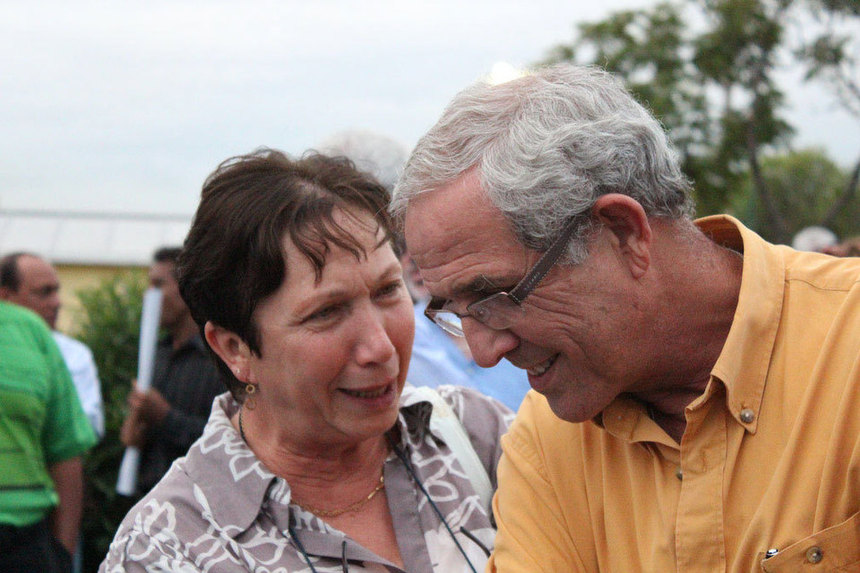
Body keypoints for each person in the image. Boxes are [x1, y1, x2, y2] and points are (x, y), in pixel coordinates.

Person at [390, 64, 860, 571]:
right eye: (453, 311)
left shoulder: (848, 343)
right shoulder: (547, 442)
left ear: (622, 232)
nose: (484, 354)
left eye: (495, 296)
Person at [101, 149, 513, 572]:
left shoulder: (474, 436)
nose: (380, 348)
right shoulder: (169, 549)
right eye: (326, 312)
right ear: (234, 348)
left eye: (388, 290)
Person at [320, 129, 531, 411]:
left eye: (387, 290)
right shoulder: (410, 338)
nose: (416, 262)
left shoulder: (525, 315)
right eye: (328, 311)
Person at [0, 300, 97, 572]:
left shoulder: (31, 332)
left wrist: (63, 556)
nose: (57, 301)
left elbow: (65, 450)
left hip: (23, 542)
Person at [119, 246, 222, 497]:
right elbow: (137, 432)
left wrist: (165, 417)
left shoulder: (220, 358)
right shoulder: (156, 353)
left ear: (187, 289)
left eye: (158, 284)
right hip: (148, 498)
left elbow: (229, 440)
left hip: (199, 504)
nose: (149, 295)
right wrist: (133, 429)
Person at [0, 252, 105, 438]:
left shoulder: (74, 355)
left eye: (57, 291)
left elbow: (89, 426)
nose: (57, 303)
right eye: (44, 292)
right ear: (6, 297)